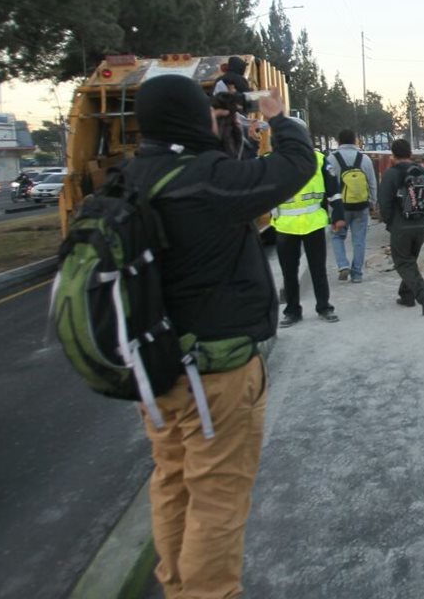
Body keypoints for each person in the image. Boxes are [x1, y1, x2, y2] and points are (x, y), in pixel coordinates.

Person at [125, 74, 316, 599]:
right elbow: (295, 166)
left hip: (157, 367)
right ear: (190, 117)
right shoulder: (205, 179)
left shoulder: (133, 176)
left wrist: (226, 134)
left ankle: (177, 585)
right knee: (217, 495)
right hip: (216, 374)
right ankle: (209, 593)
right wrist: (277, 116)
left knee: (172, 480)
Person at [273, 140, 345, 326]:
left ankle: (324, 307)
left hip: (313, 223)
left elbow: (334, 191)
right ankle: (292, 311)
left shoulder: (319, 160)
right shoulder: (273, 161)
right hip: (286, 226)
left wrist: (338, 213)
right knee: (289, 272)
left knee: (318, 269)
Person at [377, 138, 424, 315]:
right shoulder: (422, 172)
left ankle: (422, 295)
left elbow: (384, 202)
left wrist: (390, 222)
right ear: (411, 154)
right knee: (410, 260)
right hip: (421, 225)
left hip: (400, 226)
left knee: (403, 262)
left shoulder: (391, 174)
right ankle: (406, 295)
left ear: (392, 155)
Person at [325, 128, 377, 283]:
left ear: (339, 141)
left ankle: (343, 265)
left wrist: (329, 208)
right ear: (355, 141)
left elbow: (328, 184)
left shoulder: (331, 159)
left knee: (337, 236)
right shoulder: (365, 159)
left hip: (340, 207)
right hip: (361, 206)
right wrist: (373, 203)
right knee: (359, 240)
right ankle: (357, 275)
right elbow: (372, 183)